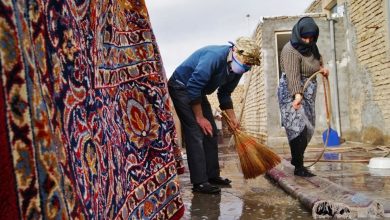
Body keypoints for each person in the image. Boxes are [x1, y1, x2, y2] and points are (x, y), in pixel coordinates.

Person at [168, 37, 260, 193]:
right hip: (181, 86)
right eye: (246, 64)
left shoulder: (237, 69)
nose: (247, 68)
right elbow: (193, 85)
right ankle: (199, 182)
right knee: (196, 131)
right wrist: (199, 117)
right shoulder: (214, 57)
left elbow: (224, 94)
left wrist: (233, 119)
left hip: (198, 91)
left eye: (250, 66)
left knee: (211, 132)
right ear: (236, 52)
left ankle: (212, 176)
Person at [278, 17, 329, 177]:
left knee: (308, 127)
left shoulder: (312, 46)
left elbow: (317, 60)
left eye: (311, 37)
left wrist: (322, 68)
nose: (307, 41)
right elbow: (293, 76)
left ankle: (296, 158)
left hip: (308, 90)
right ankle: (299, 166)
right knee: (296, 128)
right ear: (298, 34)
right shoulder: (290, 50)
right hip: (291, 91)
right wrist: (297, 96)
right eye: (304, 37)